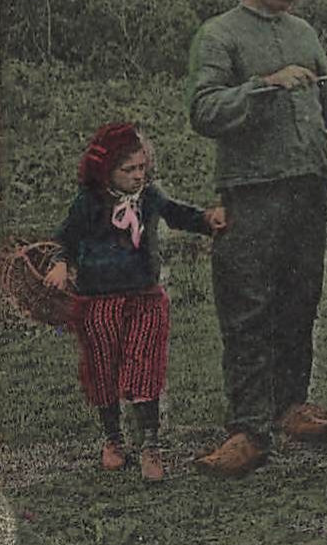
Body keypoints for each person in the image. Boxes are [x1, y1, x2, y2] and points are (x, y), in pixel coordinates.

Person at [186, 0, 327, 478]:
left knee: (300, 300)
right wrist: (266, 85)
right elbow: (204, 111)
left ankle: (291, 408)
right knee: (248, 307)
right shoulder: (219, 36)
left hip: (308, 187)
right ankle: (248, 430)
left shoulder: (303, 33)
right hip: (252, 192)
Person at [46, 123, 225, 482]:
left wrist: (207, 219)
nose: (137, 175)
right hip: (97, 300)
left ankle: (150, 444)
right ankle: (113, 439)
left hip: (144, 295)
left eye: (142, 167)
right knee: (103, 368)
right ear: (105, 169)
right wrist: (60, 263)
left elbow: (177, 213)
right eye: (128, 169)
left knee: (145, 366)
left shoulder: (148, 196)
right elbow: (64, 238)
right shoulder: (88, 201)